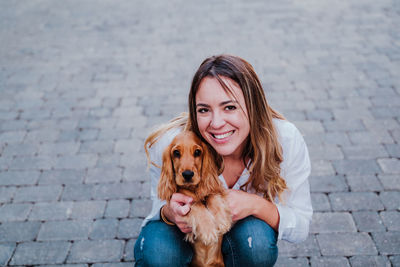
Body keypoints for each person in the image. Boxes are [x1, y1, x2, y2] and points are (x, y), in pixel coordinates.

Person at [134, 54, 312, 266]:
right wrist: (170, 212)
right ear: (194, 111)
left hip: (241, 233)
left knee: (257, 244)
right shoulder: (171, 144)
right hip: (184, 235)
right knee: (157, 251)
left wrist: (256, 205)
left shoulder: (286, 140)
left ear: (253, 106)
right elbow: (158, 204)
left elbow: (300, 225)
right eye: (204, 110)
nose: (216, 123)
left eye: (230, 107)